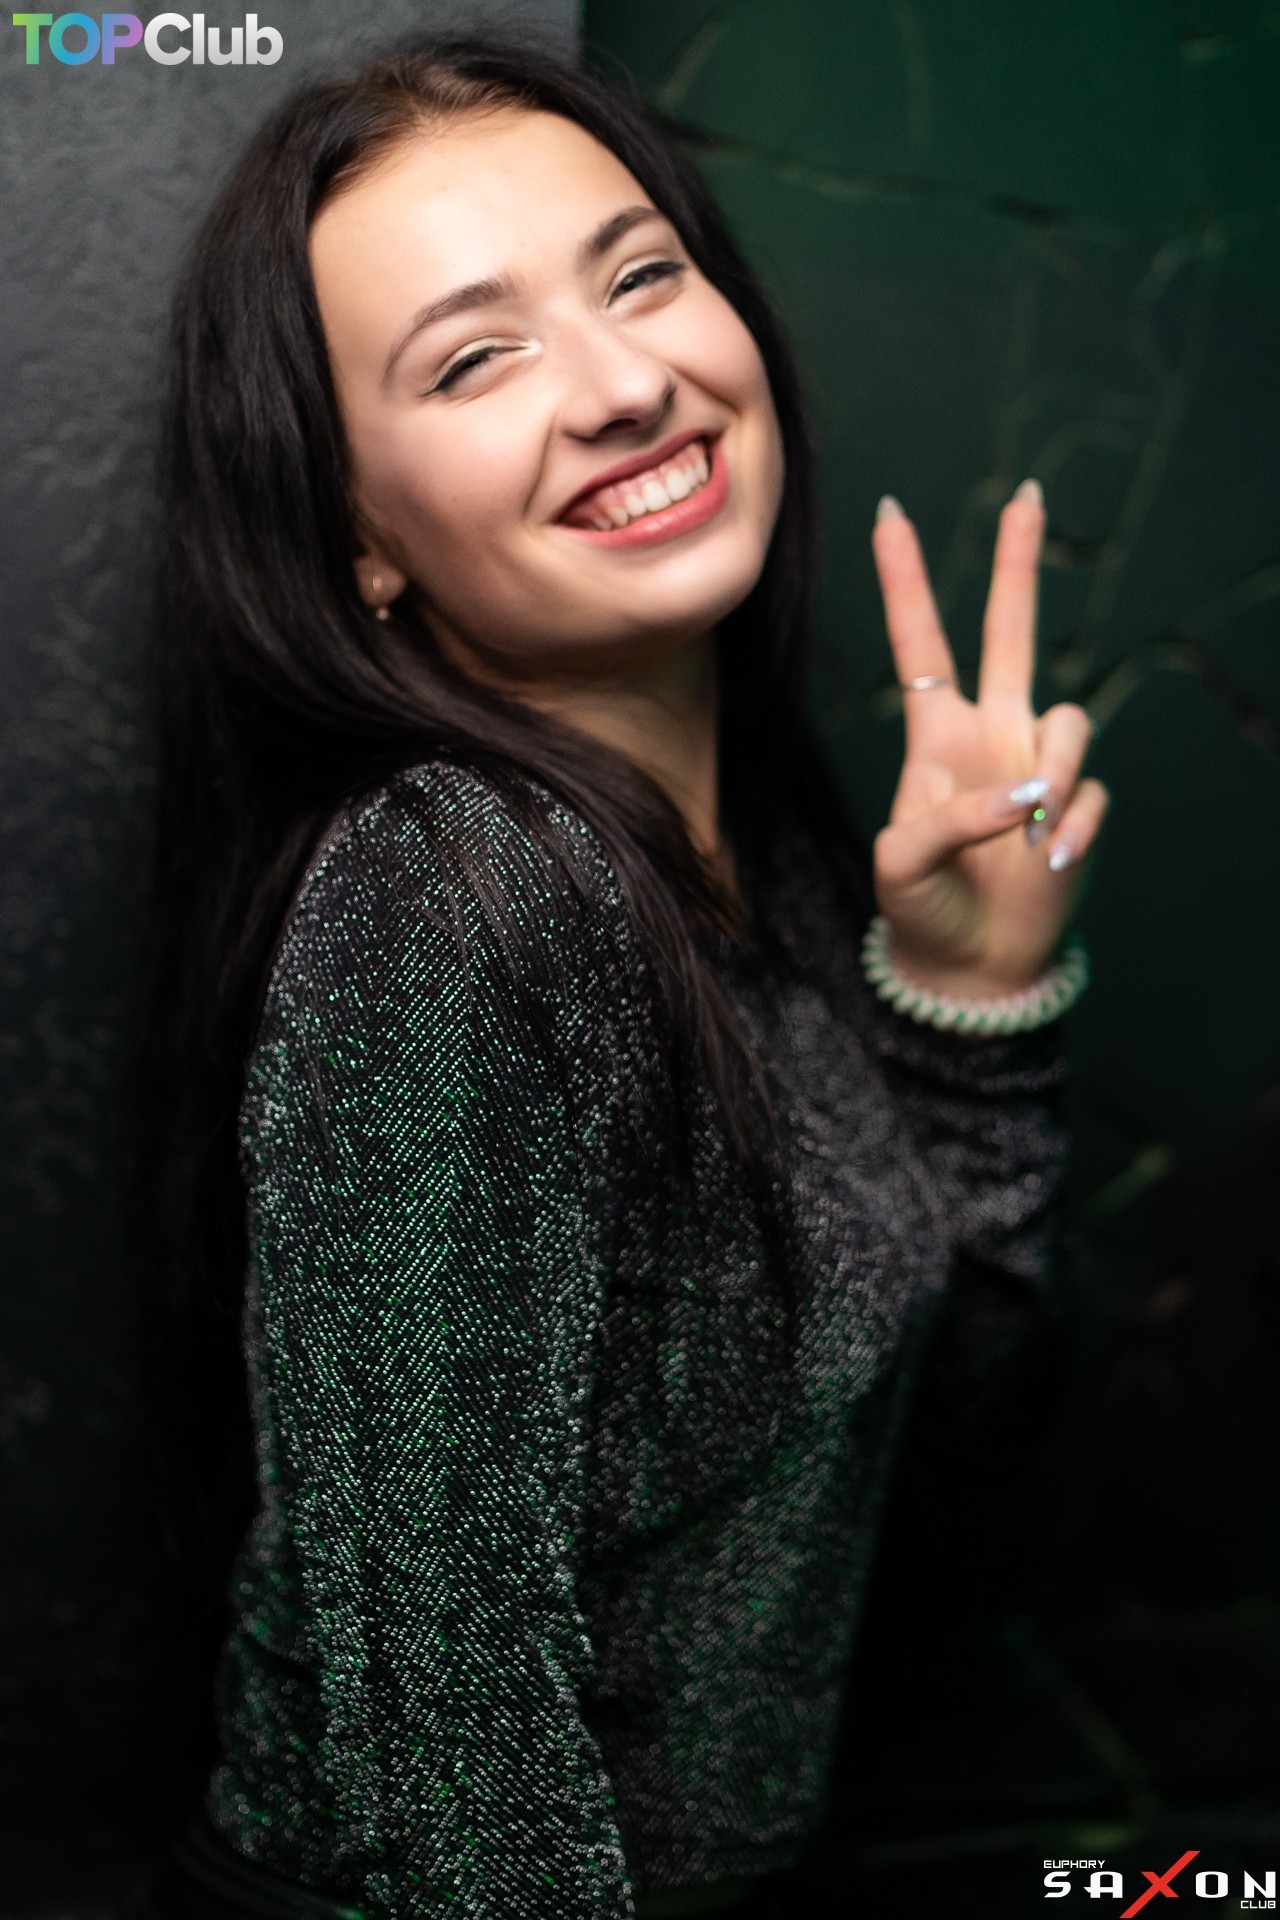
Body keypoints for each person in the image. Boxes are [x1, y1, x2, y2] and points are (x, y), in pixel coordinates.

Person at [130, 34, 1108, 1920]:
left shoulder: (769, 853)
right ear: (354, 536)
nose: (627, 383)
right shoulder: (453, 894)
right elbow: (454, 1743)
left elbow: (958, 1449)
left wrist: (967, 1002)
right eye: (474, 358)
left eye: (642, 274)